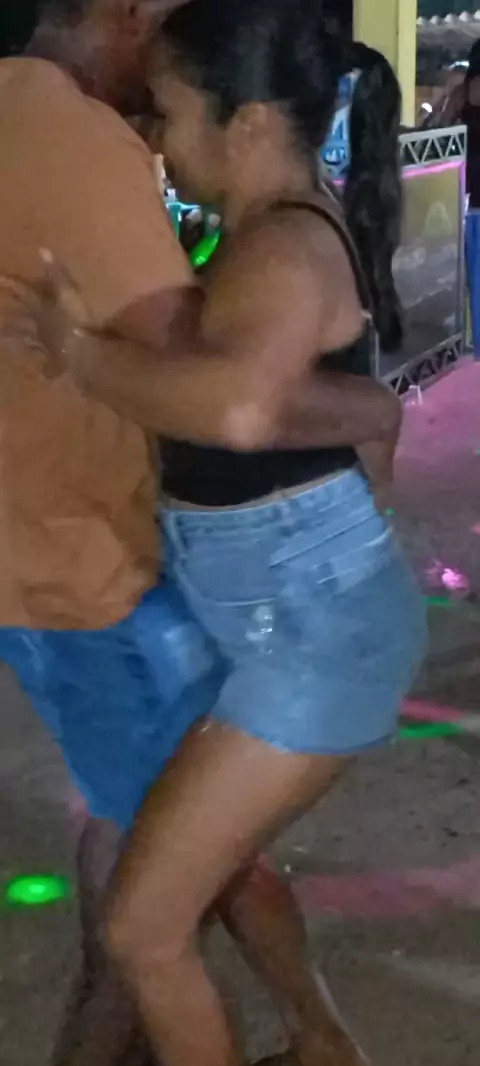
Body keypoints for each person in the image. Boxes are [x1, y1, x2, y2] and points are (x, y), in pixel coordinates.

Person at [0, 3, 412, 1066]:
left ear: (248, 123)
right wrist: (370, 422)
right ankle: (323, 1044)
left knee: (145, 927)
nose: (156, 136)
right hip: (285, 622)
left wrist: (80, 355)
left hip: (305, 638)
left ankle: (320, 1040)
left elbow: (233, 407)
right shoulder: (262, 233)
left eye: (173, 112)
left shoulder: (281, 247)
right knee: (163, 895)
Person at [426, 40, 480, 359]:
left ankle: (472, 354)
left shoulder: (462, 94)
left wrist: (439, 102)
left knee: (471, 280)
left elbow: (437, 133)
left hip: (469, 197)